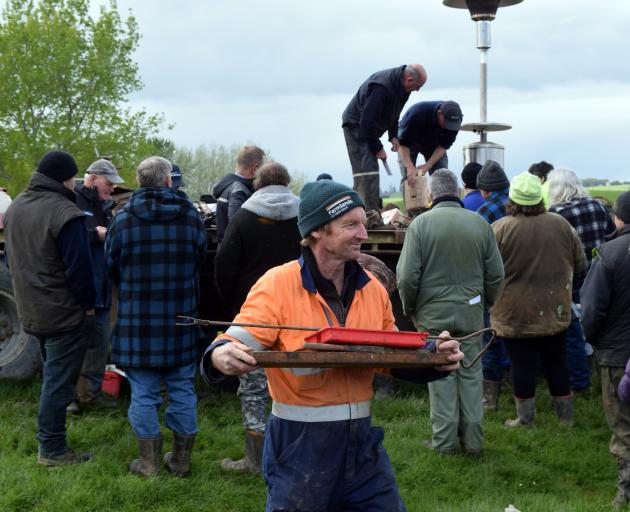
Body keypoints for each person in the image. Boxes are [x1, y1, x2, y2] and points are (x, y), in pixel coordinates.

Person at [201, 179, 464, 511]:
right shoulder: (278, 284)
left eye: (362, 223)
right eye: (350, 225)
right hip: (300, 448)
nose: (363, 234)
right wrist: (221, 354)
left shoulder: (372, 289)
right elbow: (235, 339)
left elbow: (390, 356)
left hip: (362, 448)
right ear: (316, 232)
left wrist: (434, 359)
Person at [105, 156, 206, 477]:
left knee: (144, 392)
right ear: (168, 181)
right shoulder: (191, 217)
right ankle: (180, 460)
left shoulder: (122, 219)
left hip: (139, 322)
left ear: (139, 182)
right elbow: (199, 258)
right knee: (182, 389)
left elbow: (110, 266)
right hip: (179, 318)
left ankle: (149, 464)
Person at [397, 169, 504, 455]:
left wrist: (410, 308)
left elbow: (407, 276)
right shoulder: (480, 223)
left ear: (431, 195)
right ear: (457, 192)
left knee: (441, 374)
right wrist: (486, 302)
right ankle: (474, 443)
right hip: (471, 314)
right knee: (470, 372)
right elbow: (496, 274)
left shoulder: (420, 225)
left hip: (432, 315)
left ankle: (444, 444)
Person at [4, 151, 96, 466]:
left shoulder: (16, 206)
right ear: (66, 178)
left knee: (51, 379)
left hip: (31, 307)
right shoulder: (66, 212)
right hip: (63, 312)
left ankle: (50, 440)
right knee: (58, 382)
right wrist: (88, 305)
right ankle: (53, 449)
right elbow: (80, 270)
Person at [215, 161, 301, 473]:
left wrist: (235, 304)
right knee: (298, 382)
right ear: (288, 182)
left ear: (257, 184)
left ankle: (254, 460)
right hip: (299, 316)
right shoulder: (305, 218)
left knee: (252, 387)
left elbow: (224, 266)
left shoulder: (243, 219)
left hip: (254, 314)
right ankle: (295, 453)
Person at [491, 171, 587, 427]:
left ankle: (525, 419)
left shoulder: (500, 229)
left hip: (513, 313)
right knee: (557, 361)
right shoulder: (560, 224)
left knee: (522, 365)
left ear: (512, 199)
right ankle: (565, 419)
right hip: (554, 308)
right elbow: (580, 263)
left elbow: (486, 271)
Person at [581, 191, 630, 508]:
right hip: (617, 347)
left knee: (623, 425)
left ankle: (626, 490)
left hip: (616, 354)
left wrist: (593, 340)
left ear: (618, 218)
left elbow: (591, 310)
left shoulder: (609, 254)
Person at [547, 167, 615, 393]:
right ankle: (603, 371)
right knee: (602, 322)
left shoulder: (556, 214)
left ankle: (580, 381)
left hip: (572, 278)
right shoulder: (598, 207)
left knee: (574, 331)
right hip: (601, 274)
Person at [68, 158, 124, 413]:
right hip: (78, 289)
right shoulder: (72, 201)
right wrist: (95, 235)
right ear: (92, 178)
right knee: (72, 346)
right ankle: (68, 398)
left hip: (101, 287)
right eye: (108, 182)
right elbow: (67, 238)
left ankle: (90, 394)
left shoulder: (106, 206)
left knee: (100, 344)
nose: (112, 188)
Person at [342, 64, 427, 212]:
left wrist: (393, 136)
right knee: (368, 172)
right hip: (356, 127)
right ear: (409, 79)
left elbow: (394, 113)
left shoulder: (403, 89)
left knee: (370, 171)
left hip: (368, 129)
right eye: (418, 85)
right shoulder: (382, 88)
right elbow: (367, 121)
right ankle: (369, 217)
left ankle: (369, 212)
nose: (418, 89)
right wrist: (377, 147)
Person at [475, 160, 512, 411]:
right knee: (515, 337)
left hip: (495, 281)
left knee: (491, 336)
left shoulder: (484, 213)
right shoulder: (518, 206)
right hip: (523, 280)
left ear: (485, 190)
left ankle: (489, 396)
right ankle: (512, 381)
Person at [397, 101, 463, 186]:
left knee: (441, 176)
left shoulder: (455, 122)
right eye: (447, 122)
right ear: (440, 114)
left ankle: (440, 198)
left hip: (434, 145)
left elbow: (444, 145)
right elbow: (402, 143)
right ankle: (411, 197)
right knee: (409, 177)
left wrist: (428, 165)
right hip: (409, 143)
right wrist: (409, 167)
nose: (448, 126)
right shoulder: (416, 114)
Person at [213, 145, 265, 242]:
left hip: (225, 250)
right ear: (255, 168)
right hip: (236, 254)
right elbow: (237, 228)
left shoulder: (227, 186)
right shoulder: (239, 191)